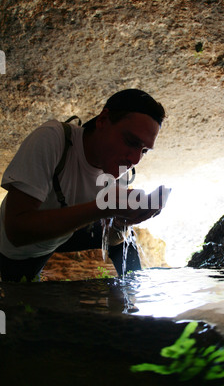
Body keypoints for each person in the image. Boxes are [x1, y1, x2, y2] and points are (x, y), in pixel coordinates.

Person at [0, 89, 166, 282]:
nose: (135, 159)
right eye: (131, 142)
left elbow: (111, 239)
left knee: (126, 239)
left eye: (144, 150)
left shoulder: (119, 171)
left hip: (64, 236)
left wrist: (123, 221)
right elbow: (16, 231)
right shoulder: (53, 139)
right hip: (14, 251)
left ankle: (132, 296)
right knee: (23, 298)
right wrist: (102, 208)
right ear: (103, 120)